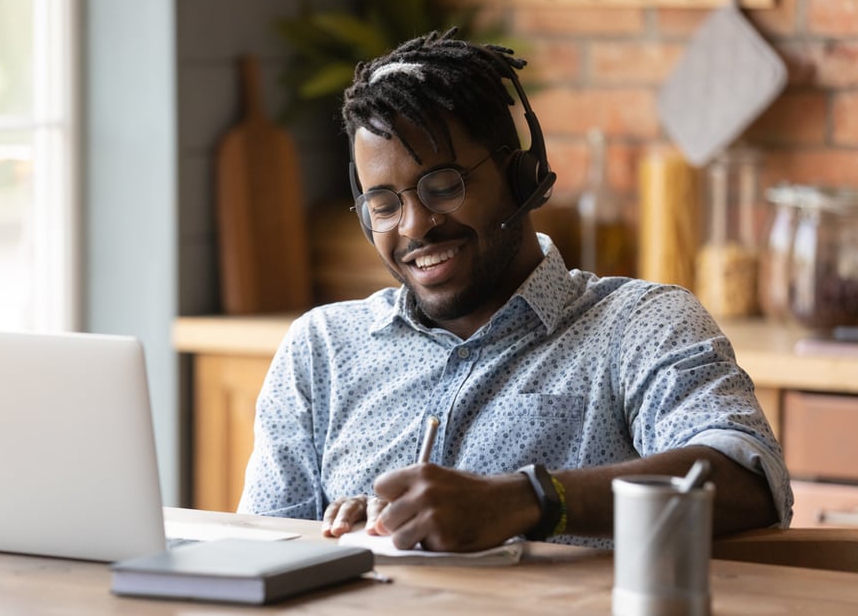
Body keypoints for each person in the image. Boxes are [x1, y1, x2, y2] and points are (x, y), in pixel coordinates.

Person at [237, 28, 792, 551]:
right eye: (384, 204)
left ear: (520, 175)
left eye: (443, 186)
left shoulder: (639, 324)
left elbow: (747, 477)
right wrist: (357, 537)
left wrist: (528, 500)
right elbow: (266, 552)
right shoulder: (322, 349)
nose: (413, 226)